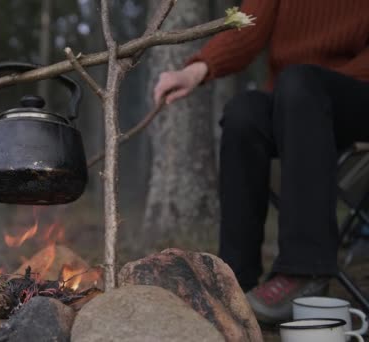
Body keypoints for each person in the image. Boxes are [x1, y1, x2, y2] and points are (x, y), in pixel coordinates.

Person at [153, 0, 369, 324]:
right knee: (244, 113)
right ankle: (236, 279)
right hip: (295, 99)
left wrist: (315, 86)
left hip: (357, 95)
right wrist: (194, 71)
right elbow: (247, 29)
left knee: (300, 85)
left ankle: (304, 271)